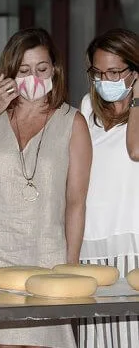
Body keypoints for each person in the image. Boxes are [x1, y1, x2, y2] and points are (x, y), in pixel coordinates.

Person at [0, 28, 92, 348]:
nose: (34, 77)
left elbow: (76, 201)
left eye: (42, 69)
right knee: (0, 341)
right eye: (24, 70)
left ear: (55, 70)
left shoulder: (72, 122)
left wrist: (70, 265)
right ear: (9, 73)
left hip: (46, 252)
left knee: (42, 341)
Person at [78, 28, 139, 348]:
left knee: (131, 338)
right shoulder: (88, 106)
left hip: (132, 244)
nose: (106, 80)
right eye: (99, 72)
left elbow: (136, 150)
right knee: (96, 339)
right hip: (91, 244)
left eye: (115, 72)